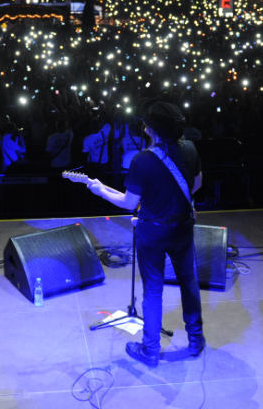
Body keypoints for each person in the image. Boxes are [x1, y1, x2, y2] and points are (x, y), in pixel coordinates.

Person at [84, 101, 204, 367]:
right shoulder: (190, 149)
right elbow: (196, 185)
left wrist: (100, 190)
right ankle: (196, 341)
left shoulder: (142, 160)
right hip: (182, 228)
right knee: (189, 282)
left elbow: (129, 203)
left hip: (152, 233)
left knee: (153, 290)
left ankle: (150, 350)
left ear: (149, 130)